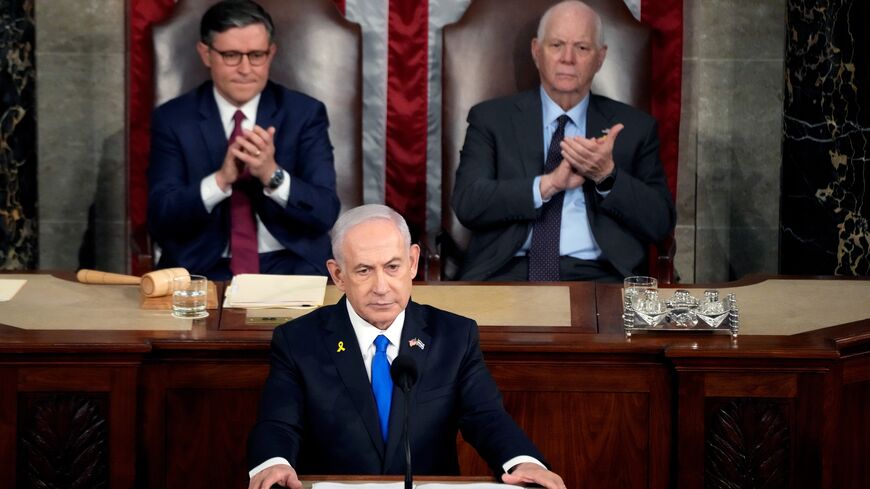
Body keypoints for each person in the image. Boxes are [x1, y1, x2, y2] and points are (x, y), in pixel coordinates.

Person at [246, 204, 566, 489]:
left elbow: (486, 417)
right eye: (364, 271)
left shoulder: (453, 335)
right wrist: (274, 463)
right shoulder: (299, 340)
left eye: (393, 267)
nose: (381, 287)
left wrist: (523, 461)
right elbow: (278, 423)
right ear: (338, 275)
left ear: (413, 263)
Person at [451, 0, 675, 282]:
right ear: (536, 51)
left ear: (600, 58)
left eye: (582, 48)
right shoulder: (491, 119)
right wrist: (547, 185)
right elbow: (468, 203)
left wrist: (607, 176)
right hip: (507, 272)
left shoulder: (634, 128)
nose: (567, 58)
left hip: (600, 278)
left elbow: (660, 223)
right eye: (556, 45)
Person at [147, 0, 339, 280]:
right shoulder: (173, 119)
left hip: (291, 263)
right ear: (206, 54)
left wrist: (271, 175)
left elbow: (325, 211)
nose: (245, 68)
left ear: (271, 53)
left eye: (256, 55)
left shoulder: (304, 114)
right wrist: (221, 180)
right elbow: (161, 218)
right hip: (202, 268)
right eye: (231, 55)